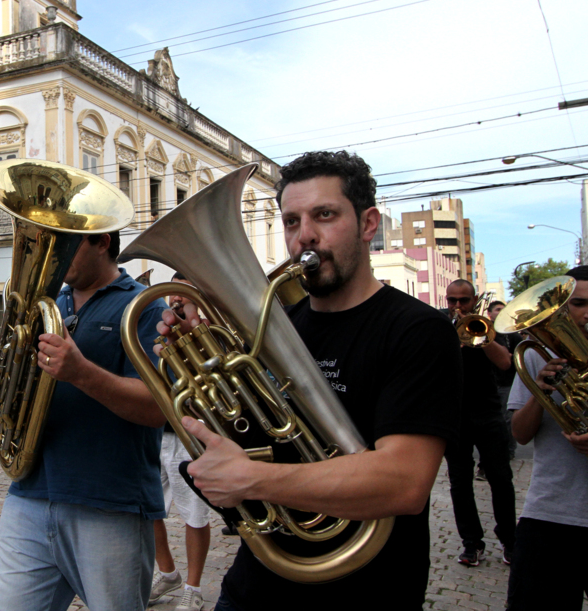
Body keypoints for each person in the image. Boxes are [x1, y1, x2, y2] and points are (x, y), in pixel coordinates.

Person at [162, 151, 461, 611]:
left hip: (366, 590)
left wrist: (252, 479)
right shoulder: (272, 325)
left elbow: (404, 481)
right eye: (291, 221)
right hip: (257, 584)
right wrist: (200, 363)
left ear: (368, 224)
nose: (305, 236)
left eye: (325, 215)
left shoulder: (417, 330)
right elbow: (253, 434)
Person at [0, 231, 169, 611]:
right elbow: (5, 401)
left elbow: (158, 408)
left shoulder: (144, 306)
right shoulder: (44, 307)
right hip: (29, 498)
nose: (52, 256)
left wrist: (81, 372)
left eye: (65, 245)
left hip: (110, 505)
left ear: (103, 241)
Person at [505, 266, 588, 610]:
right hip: (551, 513)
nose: (587, 313)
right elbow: (520, 435)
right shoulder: (537, 356)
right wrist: (541, 394)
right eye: (579, 303)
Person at [443, 279, 516, 567]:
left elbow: (505, 363)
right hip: (455, 417)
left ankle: (510, 540)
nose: (458, 306)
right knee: (460, 484)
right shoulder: (440, 327)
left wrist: (480, 336)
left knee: (501, 479)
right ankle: (471, 544)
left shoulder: (487, 326)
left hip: (487, 413)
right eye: (452, 301)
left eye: (464, 300)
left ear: (474, 300)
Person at [150, 272, 212, 611]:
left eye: (182, 302)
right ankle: (168, 573)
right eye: (171, 302)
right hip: (159, 433)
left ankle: (194, 587)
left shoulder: (209, 337)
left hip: (191, 435)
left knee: (194, 516)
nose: (174, 307)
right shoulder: (163, 337)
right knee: (150, 509)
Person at [487, 299, 519, 460]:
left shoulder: (510, 332)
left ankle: (509, 451)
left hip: (507, 382)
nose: (501, 312)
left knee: (507, 420)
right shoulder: (485, 329)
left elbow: (521, 352)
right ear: (489, 314)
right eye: (498, 309)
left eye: (503, 309)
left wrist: (509, 356)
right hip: (490, 383)